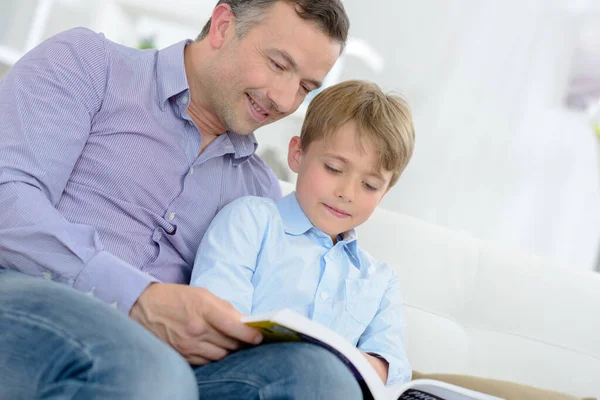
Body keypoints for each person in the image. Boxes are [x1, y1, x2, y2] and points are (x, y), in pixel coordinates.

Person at [0, 0, 358, 399]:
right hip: (31, 297)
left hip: (176, 366)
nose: (285, 100)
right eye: (278, 65)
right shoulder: (89, 64)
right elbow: (7, 197)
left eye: (306, 87)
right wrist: (136, 297)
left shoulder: (259, 191)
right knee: (150, 372)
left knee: (323, 381)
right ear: (223, 26)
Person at [190, 80, 416, 387]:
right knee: (314, 371)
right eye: (334, 168)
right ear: (297, 154)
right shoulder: (251, 221)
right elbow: (215, 321)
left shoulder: (380, 281)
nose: (347, 193)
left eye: (369, 186)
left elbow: (391, 371)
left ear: (385, 193)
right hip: (233, 383)